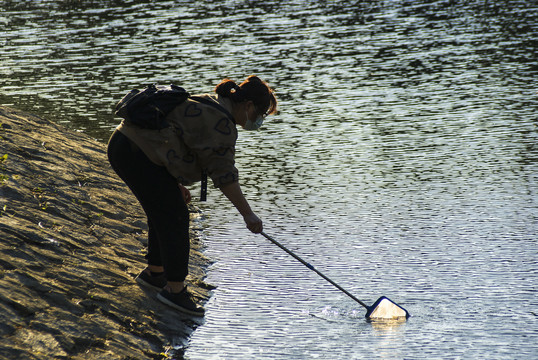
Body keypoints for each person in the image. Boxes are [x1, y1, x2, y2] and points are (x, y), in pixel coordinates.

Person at [107, 75, 277, 316]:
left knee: (165, 210)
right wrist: (248, 215)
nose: (257, 121)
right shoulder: (222, 124)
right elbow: (225, 177)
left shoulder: (210, 103)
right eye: (260, 115)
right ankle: (174, 290)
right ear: (248, 106)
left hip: (127, 145)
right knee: (175, 218)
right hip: (135, 152)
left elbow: (176, 137)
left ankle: (156, 274)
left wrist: (174, 183)